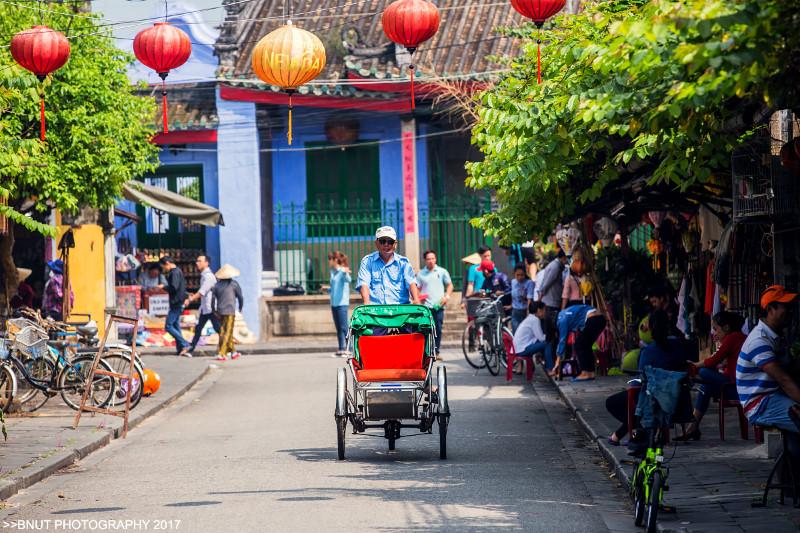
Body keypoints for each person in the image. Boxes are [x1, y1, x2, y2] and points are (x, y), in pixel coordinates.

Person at [605, 310, 687, 445]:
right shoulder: (677, 344)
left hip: (653, 400)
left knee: (617, 401)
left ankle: (633, 433)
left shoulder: (648, 351)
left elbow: (642, 378)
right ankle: (619, 435)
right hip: (677, 396)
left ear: (651, 327)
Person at [737, 285, 800, 435]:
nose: (790, 311)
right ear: (771, 309)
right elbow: (783, 379)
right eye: (785, 307)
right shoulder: (759, 340)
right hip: (759, 404)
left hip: (772, 396)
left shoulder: (774, 335)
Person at [677, 311, 746, 441]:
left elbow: (713, 360)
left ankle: (692, 427)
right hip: (732, 384)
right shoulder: (736, 337)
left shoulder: (733, 338)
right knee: (705, 387)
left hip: (734, 387)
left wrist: (695, 366)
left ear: (726, 327)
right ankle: (693, 427)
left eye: (716, 329)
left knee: (704, 373)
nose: (714, 333)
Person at [357, 226, 420, 305]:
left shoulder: (404, 263)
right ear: (376, 243)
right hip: (375, 311)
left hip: (400, 311)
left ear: (395, 244)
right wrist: (366, 303)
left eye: (390, 241)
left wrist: (416, 300)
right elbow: (364, 284)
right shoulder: (367, 261)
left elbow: (411, 282)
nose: (386, 244)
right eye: (382, 241)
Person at [416, 250, 453, 358]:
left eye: (433, 258)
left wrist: (446, 297)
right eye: (428, 259)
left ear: (435, 259)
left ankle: (436, 352)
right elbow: (417, 288)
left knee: (438, 328)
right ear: (425, 260)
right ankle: (427, 352)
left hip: (439, 306)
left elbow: (450, 285)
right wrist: (419, 298)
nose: (431, 261)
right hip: (426, 307)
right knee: (426, 329)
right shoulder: (421, 274)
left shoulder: (442, 271)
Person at [555, 303, 607, 381]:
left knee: (579, 345)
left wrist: (558, 359)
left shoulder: (561, 320)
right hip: (601, 319)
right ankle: (591, 373)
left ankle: (585, 373)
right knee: (586, 345)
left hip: (593, 319)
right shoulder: (565, 313)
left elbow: (562, 340)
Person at [184, 255, 220, 357]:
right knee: (198, 329)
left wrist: (190, 299)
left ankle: (228, 348)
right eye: (197, 261)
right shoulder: (204, 275)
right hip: (205, 308)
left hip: (211, 308)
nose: (197, 263)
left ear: (206, 263)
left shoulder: (209, 276)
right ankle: (190, 350)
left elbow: (202, 292)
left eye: (199, 261)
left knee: (218, 329)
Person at [536, 250, 568, 361]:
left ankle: (551, 359)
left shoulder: (556, 266)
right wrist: (540, 297)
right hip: (551, 303)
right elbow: (546, 284)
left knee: (550, 332)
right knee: (550, 333)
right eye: (566, 259)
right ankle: (550, 360)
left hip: (551, 302)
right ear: (563, 257)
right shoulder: (555, 267)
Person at [212, 264, 244, 361]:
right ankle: (222, 353)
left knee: (223, 331)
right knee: (228, 332)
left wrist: (214, 310)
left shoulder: (216, 285)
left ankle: (233, 352)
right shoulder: (234, 284)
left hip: (220, 311)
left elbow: (213, 300)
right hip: (230, 311)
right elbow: (240, 297)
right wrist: (240, 307)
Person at [159, 256, 190, 357]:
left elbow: (174, 287)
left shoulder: (174, 272)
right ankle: (180, 347)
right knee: (176, 326)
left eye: (164, 266)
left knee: (168, 326)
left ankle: (184, 343)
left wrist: (163, 287)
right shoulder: (178, 271)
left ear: (167, 263)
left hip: (176, 302)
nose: (164, 269)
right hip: (177, 302)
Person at [513, 301, 554, 371]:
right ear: (538, 310)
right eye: (544, 310)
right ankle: (550, 369)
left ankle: (540, 358)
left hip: (518, 348)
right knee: (547, 343)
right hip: (522, 350)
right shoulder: (535, 320)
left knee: (542, 342)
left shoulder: (530, 318)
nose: (545, 312)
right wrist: (550, 336)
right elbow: (541, 338)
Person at [328, 251, 352, 357]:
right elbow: (334, 287)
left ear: (334, 260)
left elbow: (348, 280)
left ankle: (349, 348)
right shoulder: (332, 272)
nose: (328, 262)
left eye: (330, 259)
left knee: (344, 327)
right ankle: (341, 349)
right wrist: (327, 289)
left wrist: (344, 271)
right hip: (334, 303)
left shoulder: (342, 271)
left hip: (342, 303)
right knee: (338, 328)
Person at [510, 264, 534, 332]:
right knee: (516, 332)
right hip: (515, 312)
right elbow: (513, 296)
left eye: (522, 275)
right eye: (517, 275)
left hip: (525, 311)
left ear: (525, 274)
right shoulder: (513, 282)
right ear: (514, 274)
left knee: (524, 332)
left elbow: (530, 298)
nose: (520, 277)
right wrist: (511, 305)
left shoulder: (529, 283)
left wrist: (528, 312)